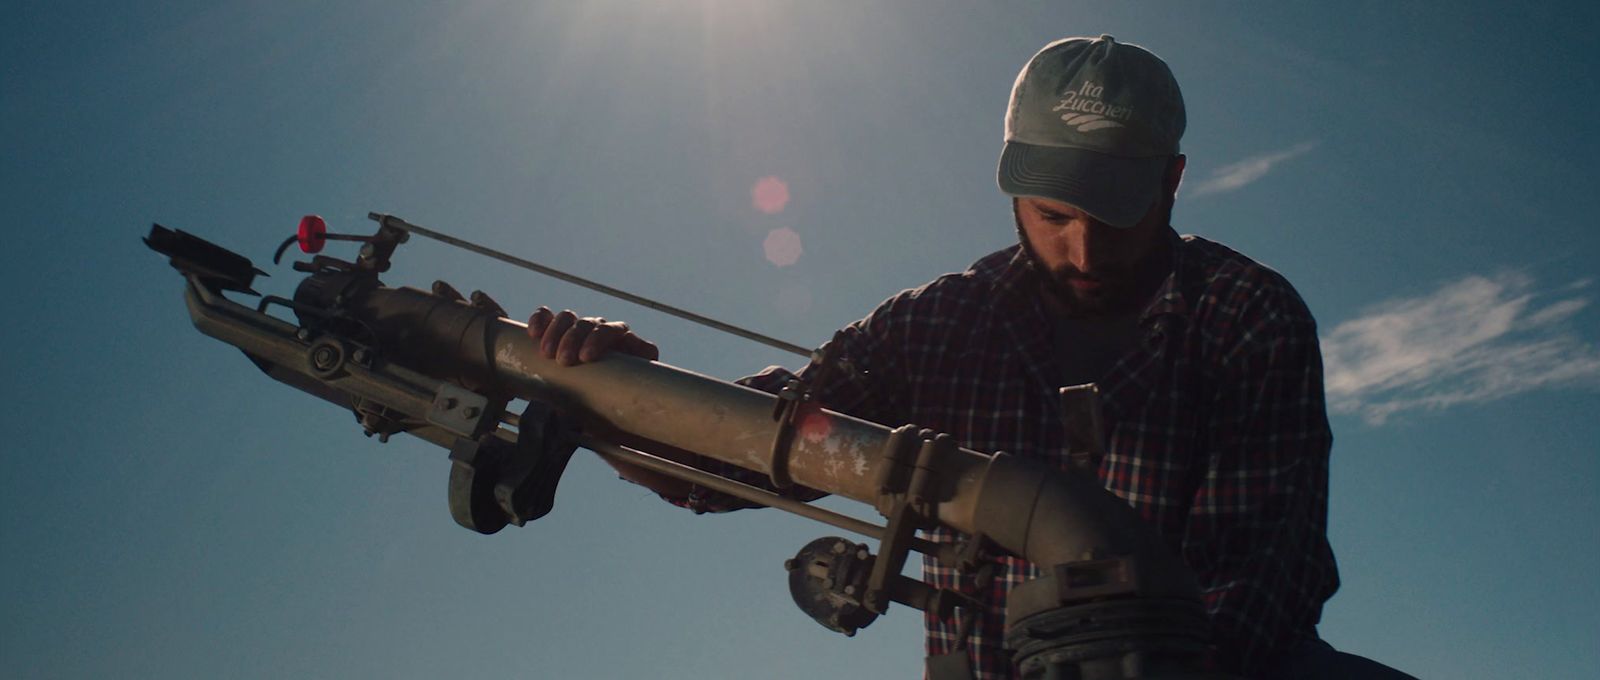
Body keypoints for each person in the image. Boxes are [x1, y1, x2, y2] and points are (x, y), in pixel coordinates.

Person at [527, 35, 1413, 680]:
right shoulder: (935, 324)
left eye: (1115, 215)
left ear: (1173, 181)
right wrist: (619, 392)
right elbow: (765, 448)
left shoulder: (1248, 317)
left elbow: (1257, 581)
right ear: (1013, 181)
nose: (1084, 251)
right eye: (1055, 215)